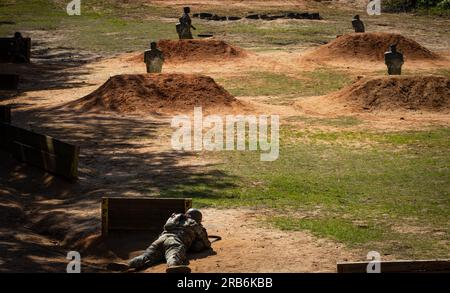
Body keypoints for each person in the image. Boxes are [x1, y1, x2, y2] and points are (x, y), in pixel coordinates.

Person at [128, 208, 211, 273]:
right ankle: (173, 266)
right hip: (174, 241)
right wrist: (203, 244)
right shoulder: (193, 223)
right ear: (198, 219)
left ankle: (128, 264)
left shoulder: (174, 218)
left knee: (146, 256)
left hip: (160, 239)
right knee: (173, 255)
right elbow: (206, 242)